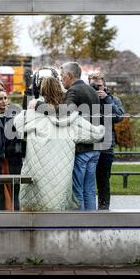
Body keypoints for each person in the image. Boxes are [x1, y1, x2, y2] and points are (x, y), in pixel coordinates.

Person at [13, 77, 105, 211]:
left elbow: (17, 123)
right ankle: (86, 227)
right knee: (71, 196)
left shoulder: (31, 114)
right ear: (61, 91)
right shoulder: (72, 118)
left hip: (36, 172)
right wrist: (102, 128)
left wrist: (35, 104)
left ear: (42, 91)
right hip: (61, 175)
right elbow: (96, 134)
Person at [60, 62, 101, 211]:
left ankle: (80, 226)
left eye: (62, 76)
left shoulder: (73, 91)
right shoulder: (91, 90)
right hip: (95, 147)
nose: (61, 79)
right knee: (89, 189)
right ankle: (91, 226)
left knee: (77, 191)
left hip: (81, 149)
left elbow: (66, 115)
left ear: (69, 75)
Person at [88, 73, 124, 210]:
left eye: (99, 86)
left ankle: (104, 206)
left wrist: (107, 99)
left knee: (103, 179)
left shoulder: (113, 99)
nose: (97, 89)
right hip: (89, 143)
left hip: (106, 144)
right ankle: (88, 209)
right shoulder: (86, 99)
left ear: (105, 85)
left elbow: (119, 116)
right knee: (88, 179)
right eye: (94, 86)